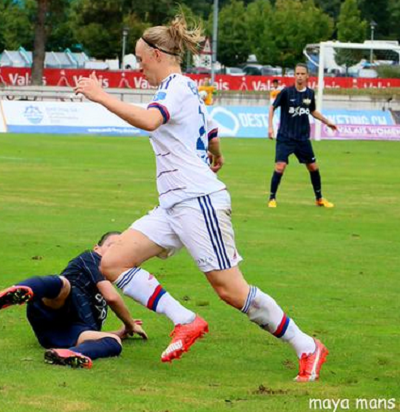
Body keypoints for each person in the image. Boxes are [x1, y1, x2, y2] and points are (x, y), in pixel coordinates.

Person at [74, 15, 328, 381]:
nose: (138, 66)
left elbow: (150, 121)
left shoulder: (174, 87)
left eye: (140, 58)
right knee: (112, 262)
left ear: (158, 54)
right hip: (174, 203)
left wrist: (101, 97)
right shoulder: (186, 87)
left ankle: (306, 345)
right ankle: (186, 320)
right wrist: (215, 150)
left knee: (229, 289)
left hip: (197, 200)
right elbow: (207, 126)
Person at [0, 232, 147, 369]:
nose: (114, 253)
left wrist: (119, 332)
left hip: (63, 332)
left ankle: (69, 354)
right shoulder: (91, 258)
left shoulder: (101, 289)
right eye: (111, 246)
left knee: (114, 341)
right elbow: (112, 297)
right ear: (97, 248)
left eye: (118, 250)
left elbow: (91, 333)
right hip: (54, 306)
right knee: (64, 284)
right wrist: (130, 323)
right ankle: (18, 291)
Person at [267, 64, 337, 208]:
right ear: (294, 76)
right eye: (297, 73)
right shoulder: (286, 92)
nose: (299, 76)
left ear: (307, 76)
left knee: (312, 167)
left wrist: (327, 122)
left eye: (302, 73)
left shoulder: (310, 94)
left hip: (302, 138)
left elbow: (312, 111)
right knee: (280, 166)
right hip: (285, 137)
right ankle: (272, 198)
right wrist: (270, 127)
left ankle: (319, 198)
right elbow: (273, 107)